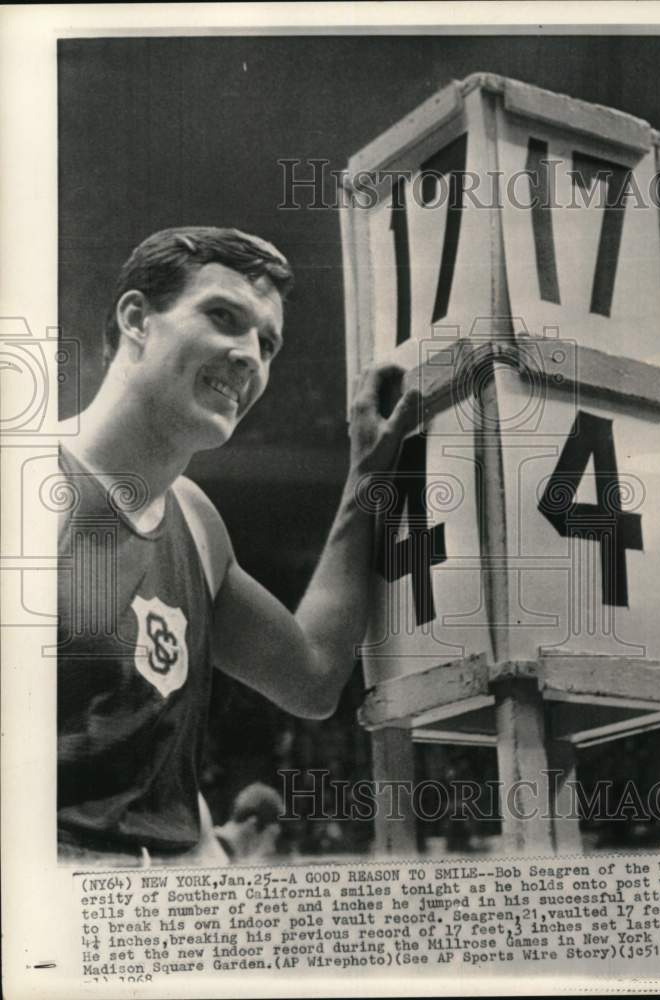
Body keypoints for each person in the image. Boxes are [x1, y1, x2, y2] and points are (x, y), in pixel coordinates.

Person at [56, 226, 418, 866]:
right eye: (223, 317)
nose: (250, 354)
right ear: (137, 318)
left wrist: (366, 478)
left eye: (268, 343)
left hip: (169, 922)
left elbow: (310, 679)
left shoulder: (196, 522)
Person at [213, 782, 285, 864]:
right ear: (252, 823)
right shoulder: (215, 850)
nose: (272, 848)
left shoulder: (214, 844)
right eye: (271, 837)